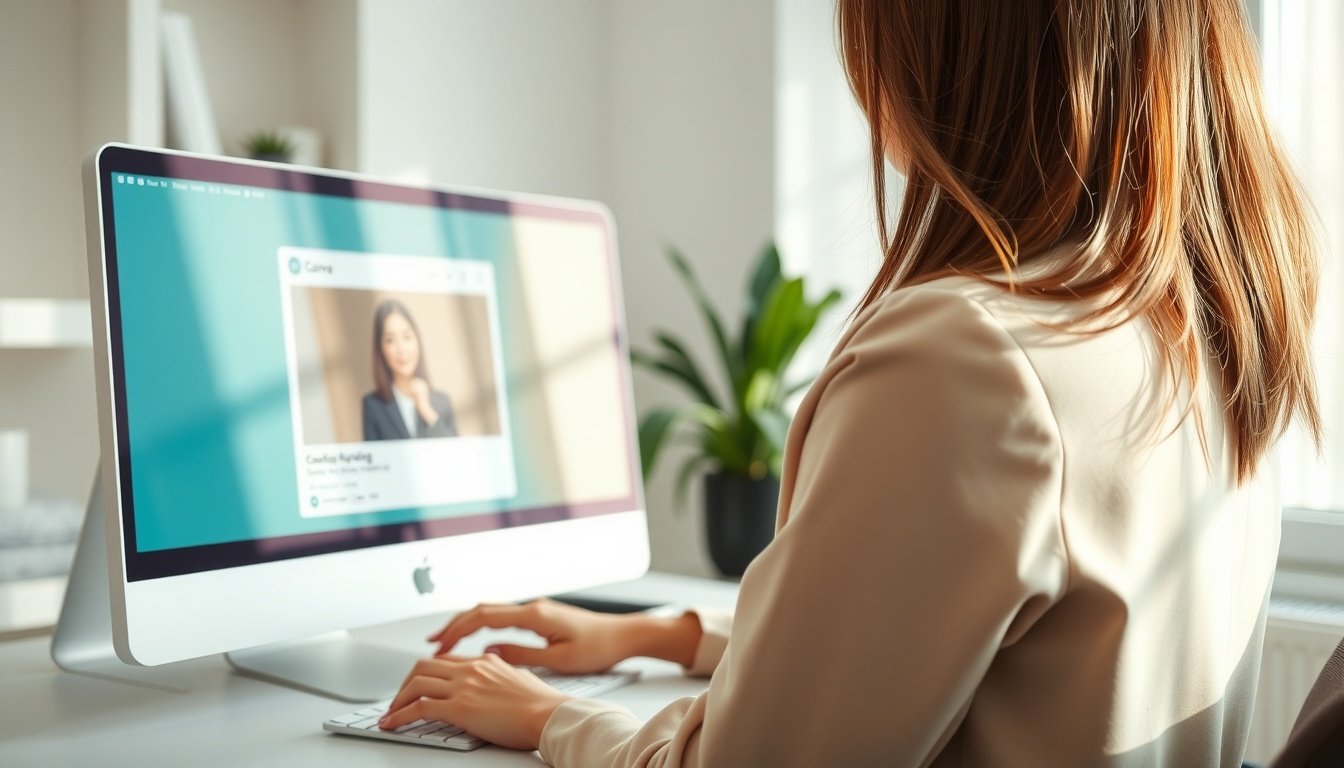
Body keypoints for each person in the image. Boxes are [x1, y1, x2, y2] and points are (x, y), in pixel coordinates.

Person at [378, 1, 1321, 765]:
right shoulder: (1199, 334)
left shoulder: (971, 360)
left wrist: (548, 720)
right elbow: (949, 648)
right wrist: (661, 636)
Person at [362, 299, 458, 441]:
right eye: (390, 340)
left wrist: (426, 411)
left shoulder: (442, 401)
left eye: (407, 337)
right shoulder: (373, 406)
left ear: (417, 340)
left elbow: (457, 455)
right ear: (381, 349)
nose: (401, 349)